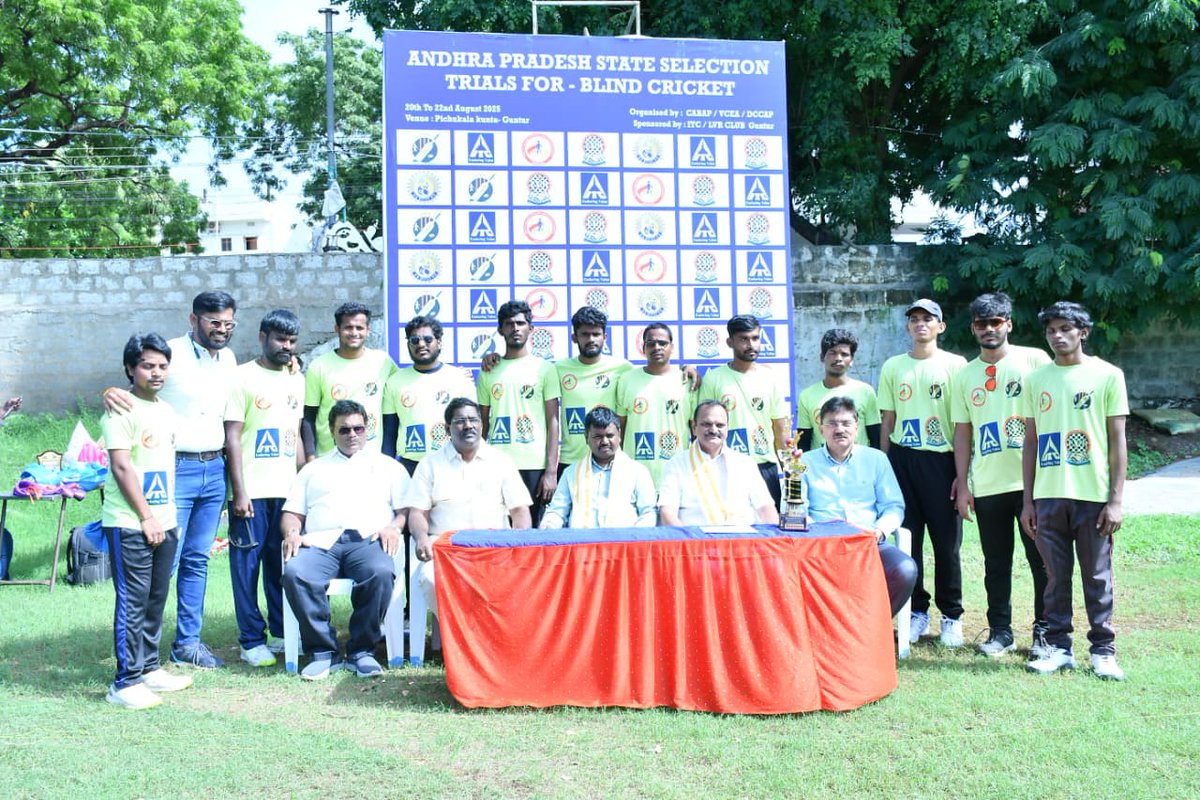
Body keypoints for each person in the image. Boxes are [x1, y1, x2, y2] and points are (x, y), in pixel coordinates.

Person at [104, 291, 240, 669]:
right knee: (167, 560)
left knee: (198, 559)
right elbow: (136, 386)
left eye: (228, 323)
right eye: (214, 322)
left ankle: (188, 644)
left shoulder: (228, 358)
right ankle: (145, 657)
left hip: (215, 469)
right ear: (193, 319)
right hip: (173, 471)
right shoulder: (171, 353)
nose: (221, 330)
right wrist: (109, 391)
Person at [1020, 301, 1129, 681]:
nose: (1058, 336)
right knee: (1055, 576)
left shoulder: (1107, 375)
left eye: (1066, 328)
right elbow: (1030, 440)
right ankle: (1058, 648)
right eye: (1052, 330)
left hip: (1092, 496)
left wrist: (1115, 499)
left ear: (1083, 332)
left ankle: (1103, 651)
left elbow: (1117, 440)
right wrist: (1027, 501)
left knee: (1097, 576)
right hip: (1049, 496)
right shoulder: (1036, 380)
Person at [951, 293, 1051, 658]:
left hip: (1033, 482)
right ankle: (1001, 632)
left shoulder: (1036, 360)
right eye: (982, 323)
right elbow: (963, 432)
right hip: (988, 483)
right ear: (973, 328)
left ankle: (1045, 630)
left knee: (1041, 561)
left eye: (996, 322)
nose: (989, 329)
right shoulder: (964, 375)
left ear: (1008, 323)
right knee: (996, 563)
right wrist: (963, 484)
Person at [281, 400, 407, 680]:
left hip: (368, 540)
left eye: (358, 428)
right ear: (332, 431)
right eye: (344, 430)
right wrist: (291, 532)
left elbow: (404, 512)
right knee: (296, 572)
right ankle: (323, 652)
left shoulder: (388, 467)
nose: (352, 435)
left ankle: (362, 651)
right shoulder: (313, 470)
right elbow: (292, 512)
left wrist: (394, 527)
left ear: (367, 429)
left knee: (381, 572)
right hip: (321, 542)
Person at [101, 333, 193, 708]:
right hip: (130, 522)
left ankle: (149, 668)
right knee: (133, 600)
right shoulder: (119, 409)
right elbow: (122, 467)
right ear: (130, 369)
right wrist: (146, 517)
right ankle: (124, 683)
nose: (156, 373)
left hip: (165, 520)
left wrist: (165, 518)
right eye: (147, 366)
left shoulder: (166, 411)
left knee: (156, 597)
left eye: (162, 366)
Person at [878, 298, 968, 647]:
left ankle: (951, 615)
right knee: (907, 540)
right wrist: (886, 466)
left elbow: (963, 424)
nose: (920, 324)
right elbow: (889, 419)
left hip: (941, 460)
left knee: (947, 544)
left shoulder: (956, 365)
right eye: (914, 319)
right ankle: (916, 612)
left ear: (940, 326)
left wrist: (962, 474)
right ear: (908, 327)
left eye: (928, 319)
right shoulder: (893, 367)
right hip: (903, 459)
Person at [222, 309, 305, 668]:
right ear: (262, 337)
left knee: (280, 563)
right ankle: (250, 639)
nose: (285, 347)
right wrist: (239, 492)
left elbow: (296, 432)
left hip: (286, 493)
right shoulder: (240, 377)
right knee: (246, 567)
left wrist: (305, 483)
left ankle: (280, 631)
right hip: (251, 492)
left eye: (290, 341)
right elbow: (232, 437)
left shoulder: (295, 379)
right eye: (279, 339)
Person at [407, 397, 533, 618]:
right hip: (446, 547)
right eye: (460, 421)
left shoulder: (501, 461)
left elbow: (520, 510)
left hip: (494, 546)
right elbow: (417, 512)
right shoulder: (430, 464)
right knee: (429, 578)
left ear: (481, 425)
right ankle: (459, 633)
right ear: (448, 428)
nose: (468, 426)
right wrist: (421, 538)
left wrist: (519, 545)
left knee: (514, 578)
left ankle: (488, 634)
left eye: (473, 420)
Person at [800, 396, 918, 616]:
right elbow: (798, 512)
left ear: (856, 427)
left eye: (846, 423)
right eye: (832, 423)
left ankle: (871, 626)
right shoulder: (804, 463)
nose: (839, 429)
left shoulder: (876, 459)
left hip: (869, 543)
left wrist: (880, 529)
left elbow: (893, 506)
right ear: (821, 429)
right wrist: (816, 534)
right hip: (821, 547)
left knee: (904, 569)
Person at [475, 300, 560, 526]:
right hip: (498, 463)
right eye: (509, 324)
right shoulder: (488, 370)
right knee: (501, 529)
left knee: (532, 532)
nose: (515, 328)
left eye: (521, 323)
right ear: (500, 329)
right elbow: (482, 422)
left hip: (535, 465)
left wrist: (551, 471)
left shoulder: (545, 369)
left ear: (530, 328)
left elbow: (553, 421)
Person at [698, 315, 791, 510]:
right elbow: (703, 427)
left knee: (768, 531)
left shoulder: (771, 378)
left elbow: (780, 431)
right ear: (730, 342)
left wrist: (790, 475)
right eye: (744, 339)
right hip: (724, 466)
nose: (751, 345)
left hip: (764, 466)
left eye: (755, 338)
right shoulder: (713, 379)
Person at [659, 400, 780, 526]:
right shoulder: (675, 464)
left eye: (720, 425)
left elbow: (765, 507)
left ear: (728, 427)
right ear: (694, 428)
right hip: (696, 541)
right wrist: (686, 543)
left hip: (742, 540)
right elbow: (667, 512)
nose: (713, 430)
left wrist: (775, 538)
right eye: (706, 424)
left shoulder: (745, 463)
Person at [382, 316, 476, 476]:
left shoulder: (460, 379)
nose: (421, 344)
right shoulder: (395, 382)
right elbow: (389, 434)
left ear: (439, 342)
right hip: (410, 467)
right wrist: (386, 471)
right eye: (414, 340)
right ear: (408, 345)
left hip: (453, 464)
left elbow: (473, 428)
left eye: (427, 339)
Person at [303, 302, 398, 459]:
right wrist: (311, 456)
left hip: (371, 458)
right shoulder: (318, 366)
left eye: (359, 328)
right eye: (348, 327)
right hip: (329, 458)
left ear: (368, 330)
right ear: (337, 329)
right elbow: (308, 417)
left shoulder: (383, 362)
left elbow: (404, 385)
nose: (354, 333)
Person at [541, 407, 658, 528]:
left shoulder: (637, 472)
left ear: (619, 435)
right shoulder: (571, 473)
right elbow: (557, 512)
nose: (605, 441)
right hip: (583, 544)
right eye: (598, 437)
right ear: (586, 437)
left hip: (624, 544)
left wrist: (633, 540)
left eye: (610, 435)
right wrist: (548, 525)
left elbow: (648, 513)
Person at [614, 323, 698, 488]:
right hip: (635, 477)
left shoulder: (687, 381)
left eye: (662, 343)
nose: (656, 347)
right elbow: (620, 428)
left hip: (676, 476)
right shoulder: (627, 380)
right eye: (651, 343)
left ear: (672, 347)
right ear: (643, 347)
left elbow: (696, 431)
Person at [553, 306, 633, 477]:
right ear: (574, 337)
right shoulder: (558, 369)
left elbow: (651, 378)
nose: (591, 339)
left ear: (605, 336)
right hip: (571, 460)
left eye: (596, 334)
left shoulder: (623, 368)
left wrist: (687, 370)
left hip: (612, 460)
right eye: (585, 334)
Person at [795, 328, 881, 450]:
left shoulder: (866, 392)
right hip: (821, 467)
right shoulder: (807, 395)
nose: (838, 358)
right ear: (822, 357)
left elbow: (876, 438)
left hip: (859, 465)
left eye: (844, 354)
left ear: (851, 360)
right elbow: (803, 442)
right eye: (832, 353)